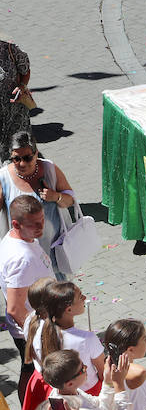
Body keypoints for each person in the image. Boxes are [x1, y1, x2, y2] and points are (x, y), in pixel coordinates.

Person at [2, 131, 78, 278]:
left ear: (36, 154)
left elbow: (71, 201)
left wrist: (56, 196)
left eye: (27, 158)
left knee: (57, 297)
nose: (22, 163)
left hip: (52, 253)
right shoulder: (4, 177)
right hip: (22, 257)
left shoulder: (49, 169)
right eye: (16, 159)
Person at [3, 196, 52, 394]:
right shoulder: (20, 258)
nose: (41, 226)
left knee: (30, 369)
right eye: (34, 224)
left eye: (42, 220)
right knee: (32, 372)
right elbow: (14, 308)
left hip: (37, 325)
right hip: (32, 329)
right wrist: (36, 335)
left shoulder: (20, 237)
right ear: (16, 223)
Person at [24, 280, 103, 392]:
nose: (84, 298)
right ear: (69, 309)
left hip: (57, 392)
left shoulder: (34, 324)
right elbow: (103, 372)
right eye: (80, 297)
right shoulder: (87, 338)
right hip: (89, 393)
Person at [101, 318, 146, 410]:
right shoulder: (123, 370)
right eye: (144, 339)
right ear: (130, 349)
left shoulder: (116, 366)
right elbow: (142, 372)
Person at [0, 40, 31, 145]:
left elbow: (25, 71)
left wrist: (22, 87)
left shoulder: (10, 49)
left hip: (15, 117)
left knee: (18, 153)